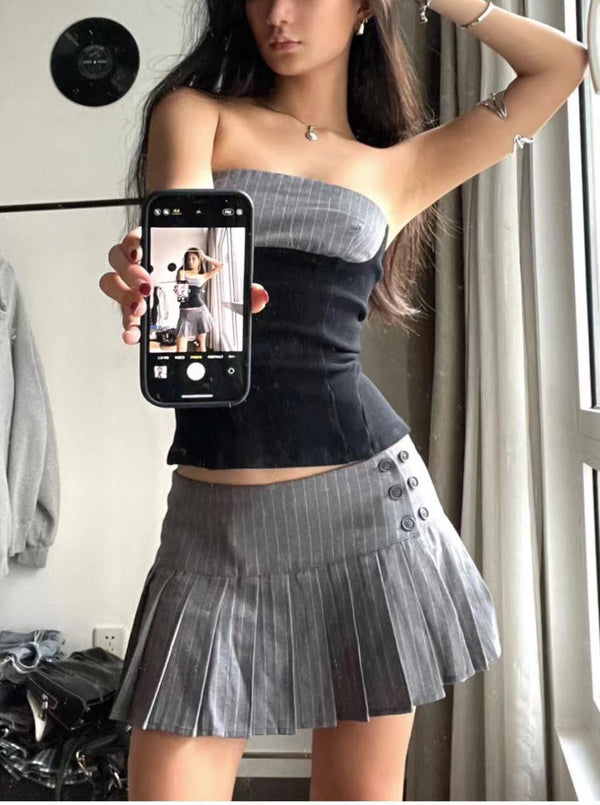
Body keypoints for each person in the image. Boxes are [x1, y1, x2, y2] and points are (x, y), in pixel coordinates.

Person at [99, 0, 588, 799]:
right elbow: (180, 271)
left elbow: (560, 66)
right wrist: (144, 276)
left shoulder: (401, 166)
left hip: (367, 517)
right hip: (213, 533)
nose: (279, 13)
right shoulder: (196, 116)